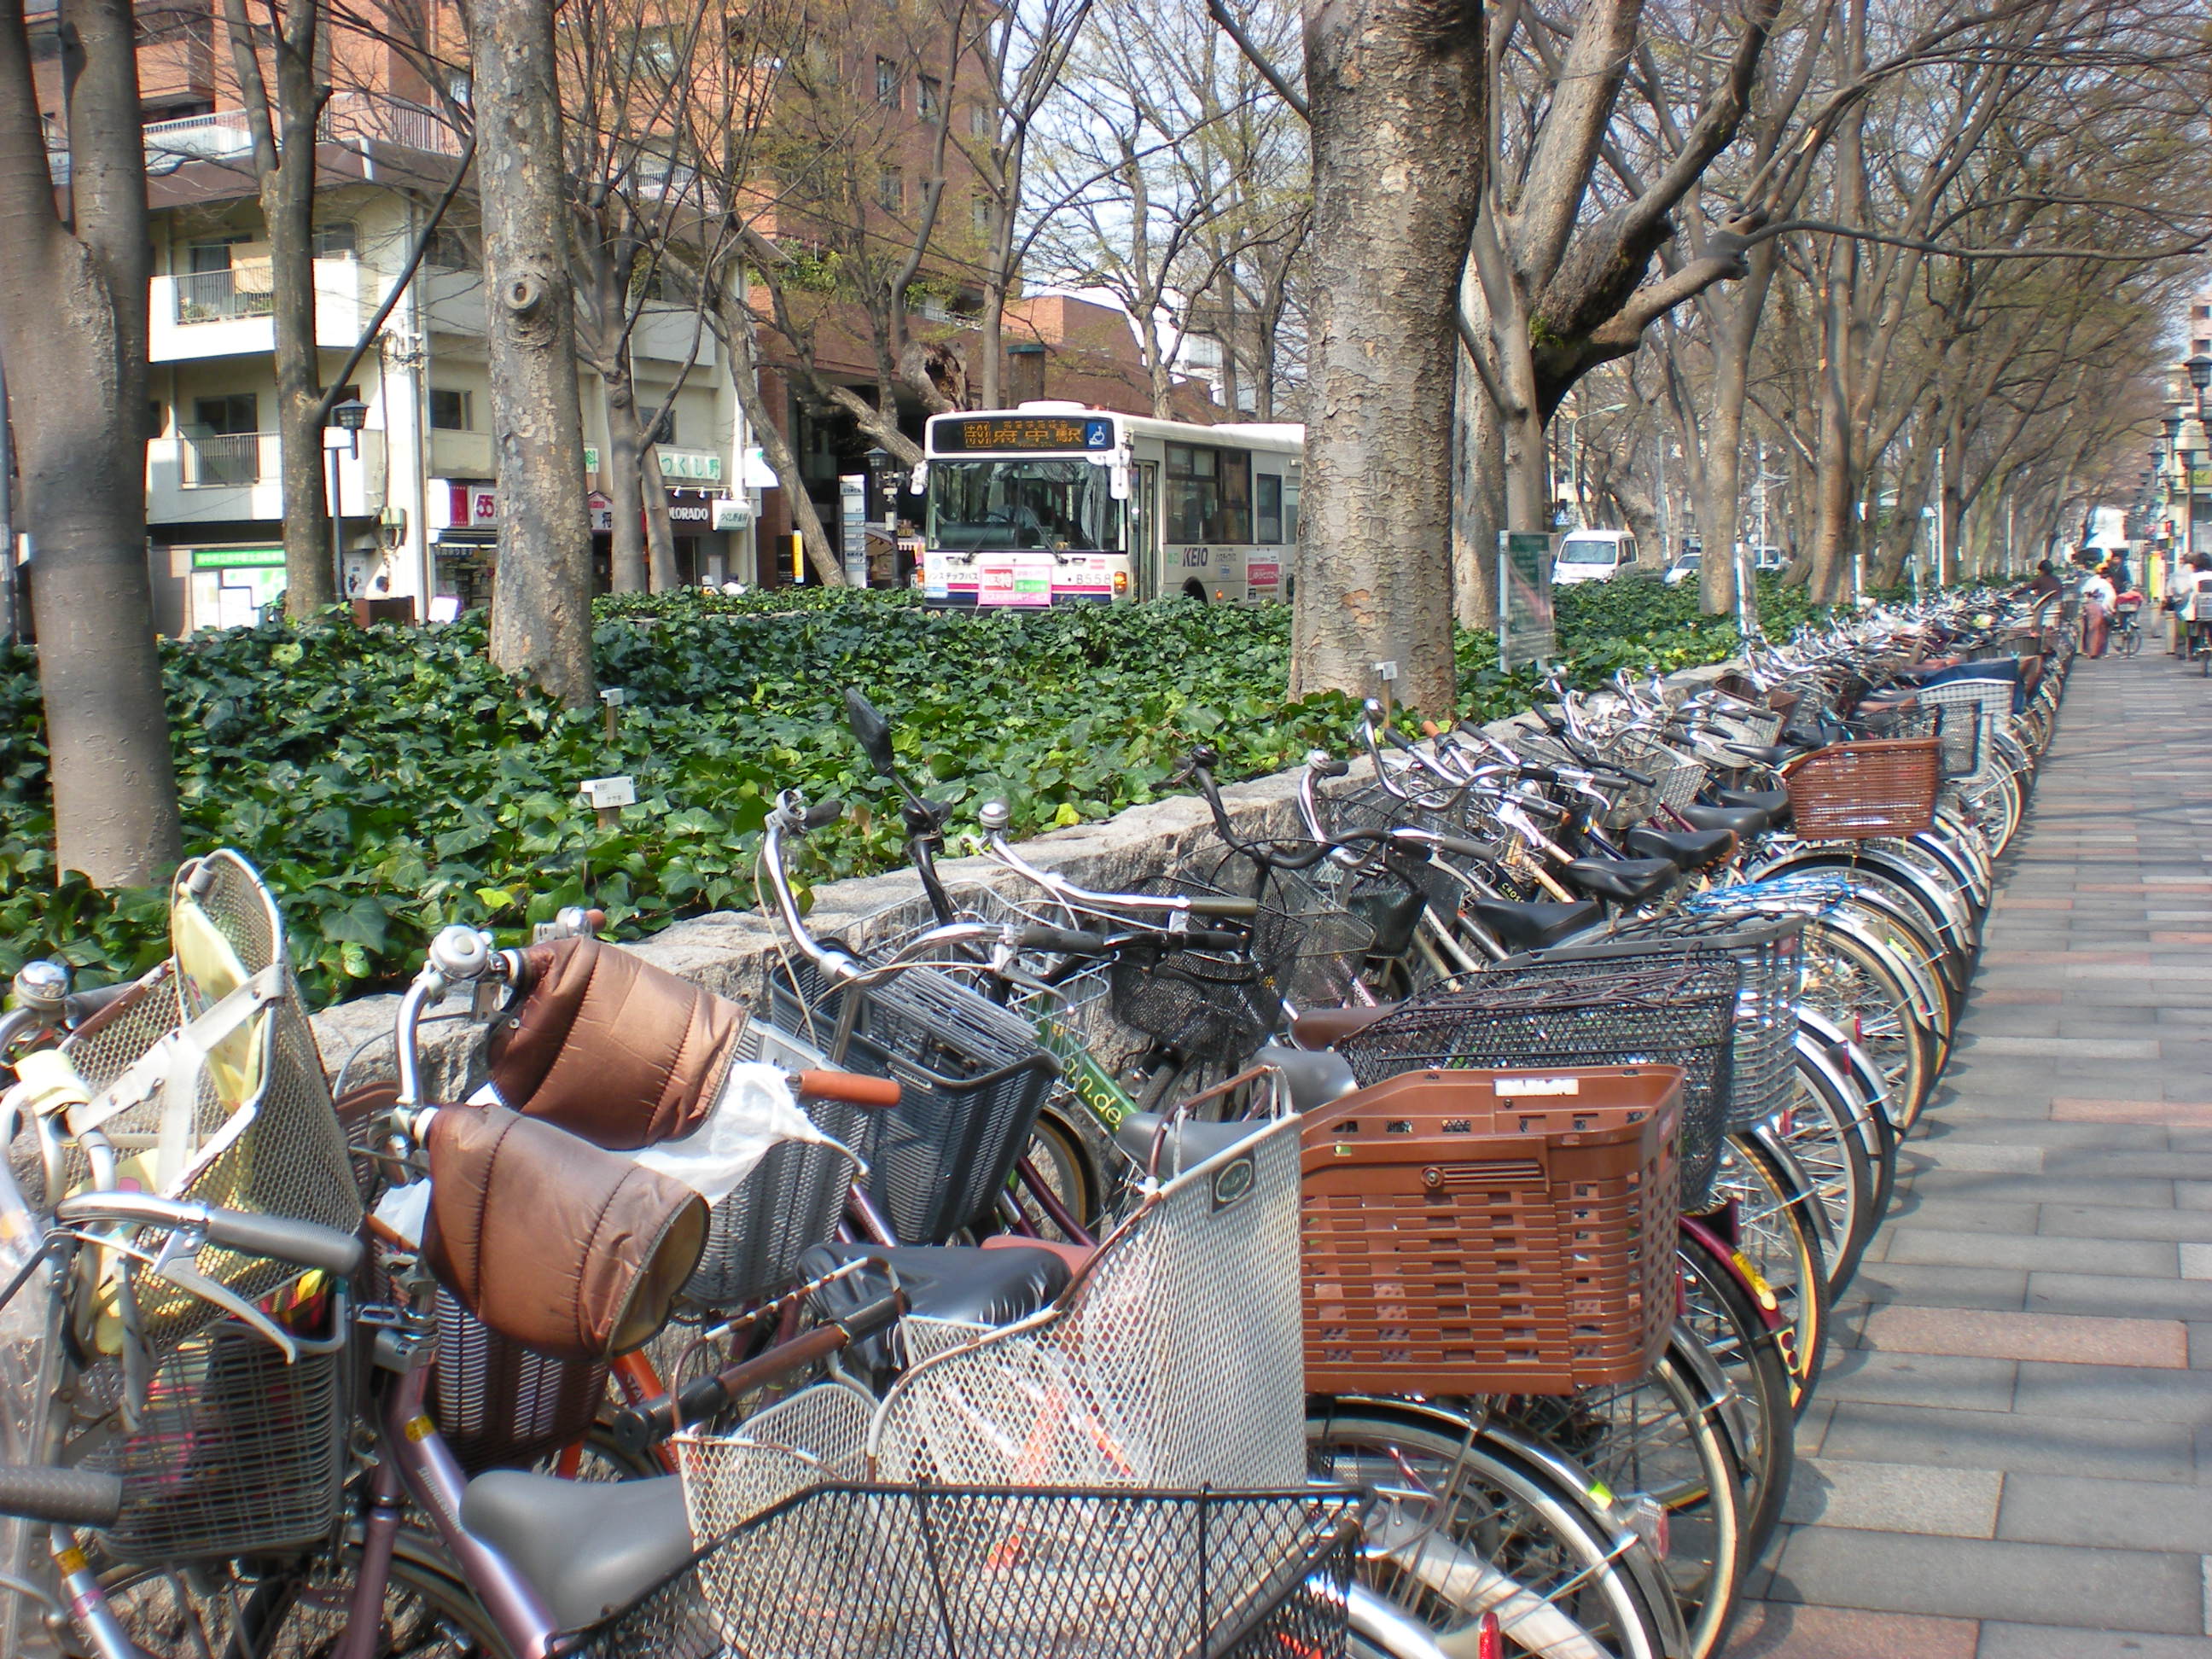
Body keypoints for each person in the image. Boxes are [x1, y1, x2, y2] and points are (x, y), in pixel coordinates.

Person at [2078, 558, 2116, 658]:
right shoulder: (2105, 584)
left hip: (2090, 605)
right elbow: (2110, 598)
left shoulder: (2093, 580)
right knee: (2098, 630)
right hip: (2099, 607)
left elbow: (2083, 591)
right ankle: (2096, 652)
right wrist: (2111, 610)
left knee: (2092, 629)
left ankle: (2091, 651)